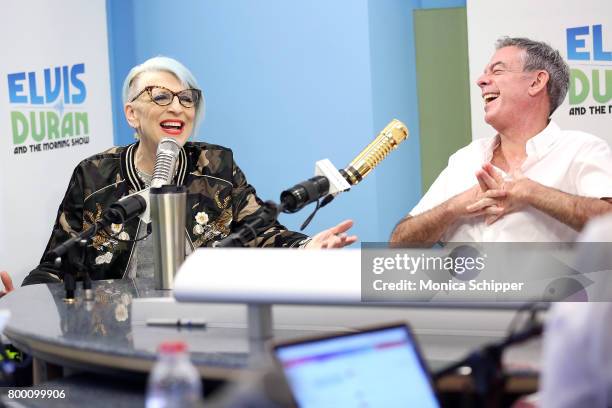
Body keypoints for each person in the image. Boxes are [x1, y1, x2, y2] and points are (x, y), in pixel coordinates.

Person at [18, 56, 356, 286]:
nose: (178, 107)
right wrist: (24, 301)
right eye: (161, 96)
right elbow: (56, 266)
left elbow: (264, 233)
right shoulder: (94, 175)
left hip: (207, 320)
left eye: (187, 98)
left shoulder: (217, 165)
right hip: (115, 328)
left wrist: (308, 247)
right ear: (132, 114)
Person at [390, 37, 612, 245]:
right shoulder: (465, 158)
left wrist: (531, 193)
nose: (480, 81)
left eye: (497, 71)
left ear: (536, 82)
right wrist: (454, 207)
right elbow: (398, 243)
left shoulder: (580, 149)